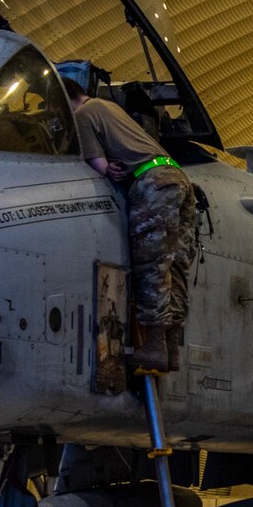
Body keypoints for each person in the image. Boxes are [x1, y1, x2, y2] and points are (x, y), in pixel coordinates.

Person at [60, 67, 195, 374]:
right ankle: (171, 348)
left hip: (151, 182)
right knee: (176, 265)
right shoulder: (108, 106)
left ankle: (154, 346)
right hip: (177, 177)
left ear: (66, 98)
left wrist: (107, 169)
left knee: (152, 263)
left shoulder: (83, 115)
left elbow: (99, 165)